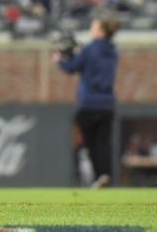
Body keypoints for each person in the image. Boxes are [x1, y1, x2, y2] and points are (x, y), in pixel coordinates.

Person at [53, 15, 120, 188]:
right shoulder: (114, 51)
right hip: (107, 104)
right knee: (104, 143)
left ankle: (98, 177)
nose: (91, 29)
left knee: (90, 143)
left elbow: (72, 67)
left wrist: (60, 60)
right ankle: (105, 175)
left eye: (94, 26)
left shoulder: (89, 49)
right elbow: (93, 63)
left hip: (88, 103)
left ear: (101, 31)